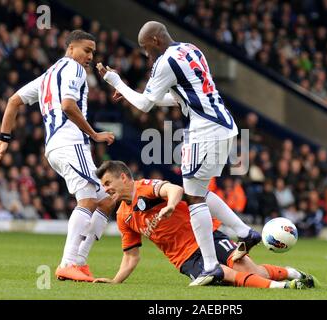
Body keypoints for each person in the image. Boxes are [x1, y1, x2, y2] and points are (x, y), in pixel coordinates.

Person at [96, 21, 261, 286]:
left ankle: (210, 267)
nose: (146, 55)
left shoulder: (165, 62)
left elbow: (145, 105)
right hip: (225, 126)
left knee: (193, 197)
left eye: (146, 48)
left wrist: (115, 80)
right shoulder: (190, 49)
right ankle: (245, 232)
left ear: (155, 41)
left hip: (204, 130)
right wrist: (130, 94)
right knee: (200, 192)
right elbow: (178, 98)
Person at [0, 30, 116, 282]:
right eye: (86, 50)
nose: (90, 56)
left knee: (106, 199)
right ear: (70, 48)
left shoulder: (47, 76)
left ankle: (80, 262)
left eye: (93, 52)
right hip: (70, 142)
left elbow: (13, 101)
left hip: (55, 148)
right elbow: (68, 105)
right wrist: (95, 135)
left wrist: (4, 139)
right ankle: (69, 263)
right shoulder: (75, 69)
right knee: (88, 199)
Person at [92, 160, 317, 289]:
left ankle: (291, 273)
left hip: (207, 236)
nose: (106, 189)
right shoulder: (124, 215)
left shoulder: (144, 187)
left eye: (108, 183)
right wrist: (114, 281)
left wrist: (170, 205)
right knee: (224, 274)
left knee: (251, 270)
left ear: (123, 178)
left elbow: (176, 189)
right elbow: (131, 256)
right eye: (103, 185)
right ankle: (284, 287)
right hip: (185, 259)